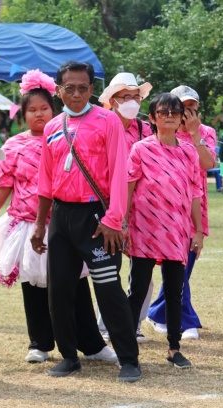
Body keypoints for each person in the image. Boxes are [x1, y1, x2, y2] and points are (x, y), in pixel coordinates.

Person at [0, 69, 116, 364]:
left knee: (76, 285)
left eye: (44, 108)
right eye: (32, 110)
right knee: (32, 286)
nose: (39, 114)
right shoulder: (12, 147)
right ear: (23, 115)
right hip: (26, 226)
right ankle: (40, 343)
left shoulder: (65, 136)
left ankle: (92, 345)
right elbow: (3, 188)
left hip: (65, 223)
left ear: (53, 109)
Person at [31, 61, 141, 381]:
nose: (76, 94)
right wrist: (40, 224)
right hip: (61, 217)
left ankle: (129, 359)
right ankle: (69, 356)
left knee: (108, 290)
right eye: (70, 88)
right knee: (59, 291)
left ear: (92, 90)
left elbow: (119, 172)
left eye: (83, 88)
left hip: (97, 217)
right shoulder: (52, 127)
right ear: (59, 91)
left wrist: (113, 219)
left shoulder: (108, 121)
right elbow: (46, 179)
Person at [126, 93, 204, 369]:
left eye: (175, 112)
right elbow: (129, 187)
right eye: (163, 112)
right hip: (144, 229)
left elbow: (195, 193)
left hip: (176, 231)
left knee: (174, 290)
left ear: (181, 117)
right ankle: (128, 348)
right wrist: (122, 223)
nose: (170, 116)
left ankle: (174, 348)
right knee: (138, 289)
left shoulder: (189, 151)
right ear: (152, 117)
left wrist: (198, 230)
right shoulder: (140, 149)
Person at [146, 85, 217, 341]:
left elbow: (207, 164)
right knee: (175, 266)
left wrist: (195, 133)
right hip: (163, 208)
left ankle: (157, 312)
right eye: (181, 107)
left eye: (191, 107)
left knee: (184, 266)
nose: (185, 113)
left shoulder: (206, 132)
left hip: (194, 207)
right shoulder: (161, 131)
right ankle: (185, 320)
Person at [97, 71, 153, 342]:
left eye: (135, 96)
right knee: (107, 267)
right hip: (108, 205)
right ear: (113, 100)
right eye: (125, 96)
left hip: (141, 208)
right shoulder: (102, 125)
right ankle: (105, 323)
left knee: (143, 269)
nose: (132, 101)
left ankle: (135, 322)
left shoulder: (146, 130)